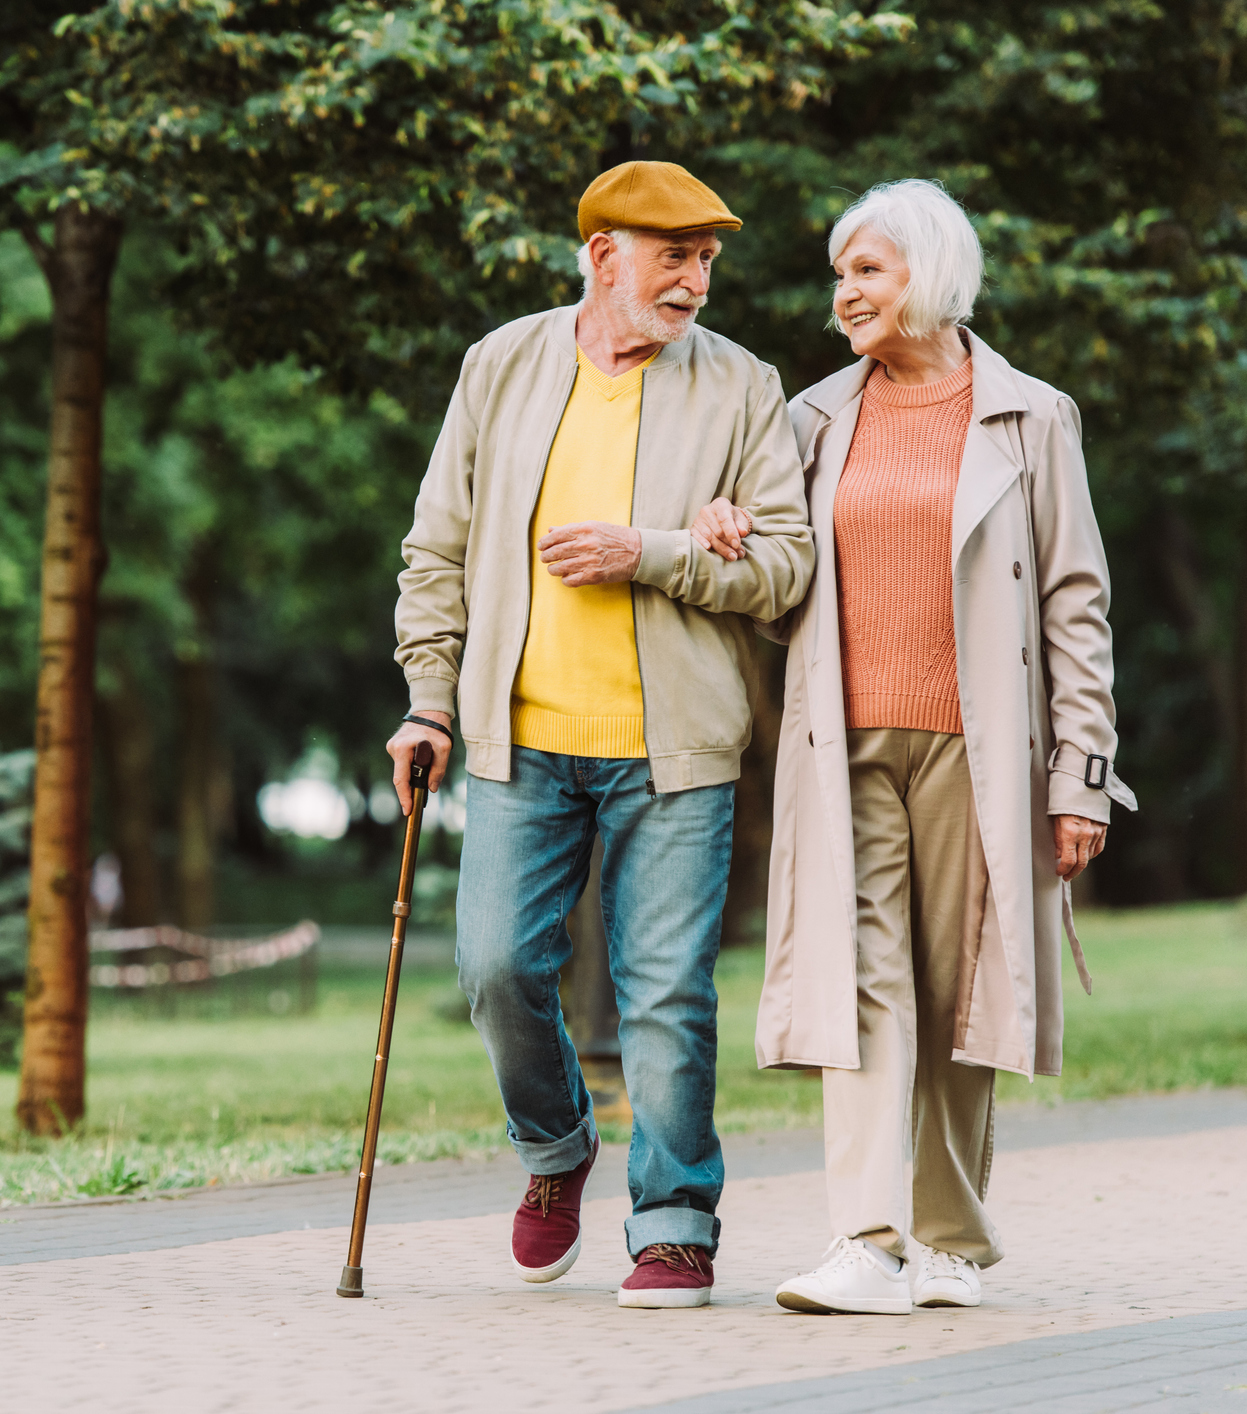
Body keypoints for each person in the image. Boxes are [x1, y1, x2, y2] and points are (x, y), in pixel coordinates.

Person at [689, 178, 1136, 1315]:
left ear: (928, 275)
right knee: (861, 980)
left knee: (961, 989)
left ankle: (949, 1242)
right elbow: (777, 578)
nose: (843, 294)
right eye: (840, 274)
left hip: (980, 748)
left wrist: (1079, 774)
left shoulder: (1033, 417)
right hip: (841, 739)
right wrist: (725, 530)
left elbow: (1075, 605)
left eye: (867, 272)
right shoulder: (810, 419)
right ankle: (865, 1238)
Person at [388, 161, 815, 1309]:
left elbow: (786, 572)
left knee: (667, 992)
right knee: (493, 968)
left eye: (707, 258)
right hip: (520, 745)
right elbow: (435, 550)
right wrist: (430, 698)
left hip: (674, 751)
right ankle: (555, 1146)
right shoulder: (503, 364)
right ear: (601, 256)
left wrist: (659, 552)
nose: (695, 280)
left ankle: (674, 1220)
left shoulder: (740, 386)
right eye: (673, 255)